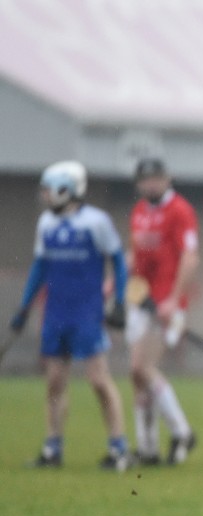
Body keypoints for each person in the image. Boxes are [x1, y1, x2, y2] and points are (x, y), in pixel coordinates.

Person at [10, 161, 131, 471]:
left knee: (98, 380)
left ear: (67, 189)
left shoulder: (96, 222)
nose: (45, 196)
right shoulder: (46, 225)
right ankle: (53, 448)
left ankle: (118, 447)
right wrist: (24, 308)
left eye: (49, 190)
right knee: (54, 382)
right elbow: (40, 268)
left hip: (86, 314)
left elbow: (117, 261)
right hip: (55, 314)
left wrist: (119, 302)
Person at [127, 157, 200, 466]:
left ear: (167, 179)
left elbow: (190, 256)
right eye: (145, 179)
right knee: (136, 373)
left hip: (165, 304)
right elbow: (136, 256)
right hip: (141, 303)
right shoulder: (140, 212)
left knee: (143, 368)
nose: (151, 184)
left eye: (156, 178)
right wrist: (116, 285)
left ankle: (182, 431)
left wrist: (173, 299)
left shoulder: (180, 210)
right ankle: (147, 448)